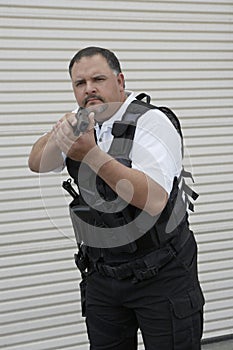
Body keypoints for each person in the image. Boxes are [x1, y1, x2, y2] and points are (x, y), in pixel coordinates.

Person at [28, 46, 204, 350]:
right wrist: (60, 130)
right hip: (103, 276)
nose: (89, 89)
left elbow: (153, 199)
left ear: (120, 81)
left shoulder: (152, 124)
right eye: (80, 84)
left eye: (98, 79)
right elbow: (37, 162)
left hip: (161, 273)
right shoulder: (81, 124)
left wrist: (92, 155)